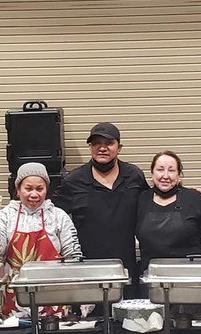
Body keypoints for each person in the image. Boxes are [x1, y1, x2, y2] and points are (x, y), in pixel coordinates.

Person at [51, 122, 149, 297]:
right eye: (96, 143)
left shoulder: (133, 175)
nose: (102, 148)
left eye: (109, 143)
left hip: (126, 267)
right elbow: (52, 216)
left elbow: (154, 202)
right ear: (90, 147)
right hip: (87, 270)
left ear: (119, 147)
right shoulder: (73, 180)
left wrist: (188, 194)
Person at [0, 162, 82, 318]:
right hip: (15, 302)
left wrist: (80, 296)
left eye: (39, 189)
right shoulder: (7, 215)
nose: (34, 194)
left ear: (47, 190)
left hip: (53, 299)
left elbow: (73, 257)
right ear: (18, 190)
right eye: (28, 189)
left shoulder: (58, 216)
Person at [136, 150, 201, 277]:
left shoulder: (193, 198)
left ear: (178, 175)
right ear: (152, 173)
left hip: (189, 276)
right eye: (160, 169)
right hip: (150, 276)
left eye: (171, 170)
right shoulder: (140, 199)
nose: (165, 176)